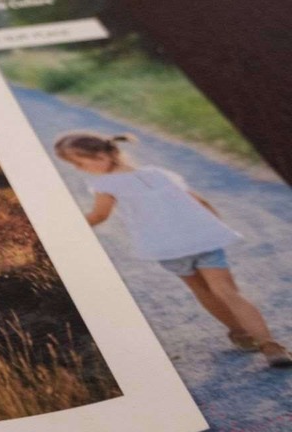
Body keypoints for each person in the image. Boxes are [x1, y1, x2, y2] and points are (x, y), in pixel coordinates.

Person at [54, 131, 291, 369]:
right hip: (202, 238)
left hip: (167, 246)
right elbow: (199, 201)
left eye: (79, 163)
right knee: (227, 291)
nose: (80, 169)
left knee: (201, 289)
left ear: (103, 156)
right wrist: (213, 228)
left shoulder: (105, 184)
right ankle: (270, 346)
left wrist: (68, 228)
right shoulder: (158, 174)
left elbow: (99, 215)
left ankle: (240, 332)